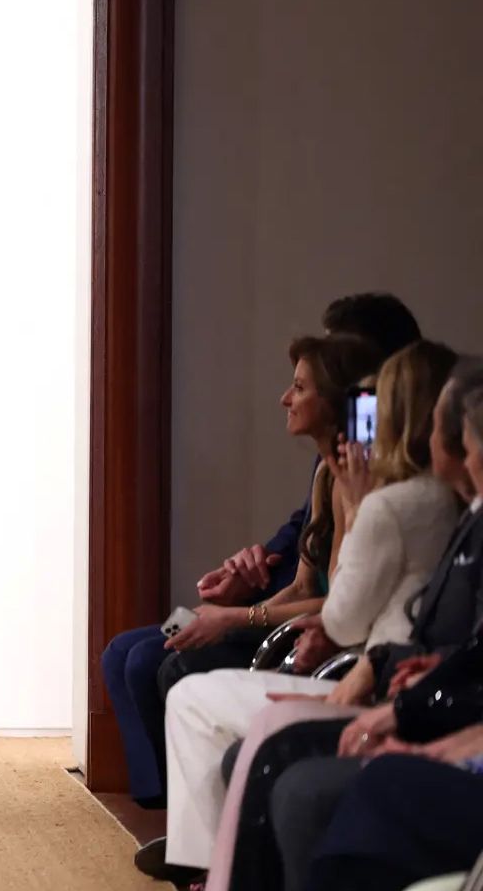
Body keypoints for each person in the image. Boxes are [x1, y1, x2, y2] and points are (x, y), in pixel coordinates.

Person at [155, 341, 462, 876]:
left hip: (369, 676)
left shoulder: (388, 503)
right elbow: (313, 586)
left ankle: (205, 868)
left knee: (191, 697)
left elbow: (343, 616)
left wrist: (358, 506)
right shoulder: (437, 497)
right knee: (170, 673)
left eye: (374, 411)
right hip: (363, 663)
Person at [106, 297, 419, 808]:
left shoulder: (373, 480)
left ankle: (198, 821)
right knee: (127, 649)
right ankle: (170, 813)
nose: (284, 398)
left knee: (164, 662)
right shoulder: (326, 471)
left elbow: (344, 601)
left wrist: (231, 618)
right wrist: (242, 574)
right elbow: (300, 561)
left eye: (301, 385)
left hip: (326, 636)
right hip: (285, 606)